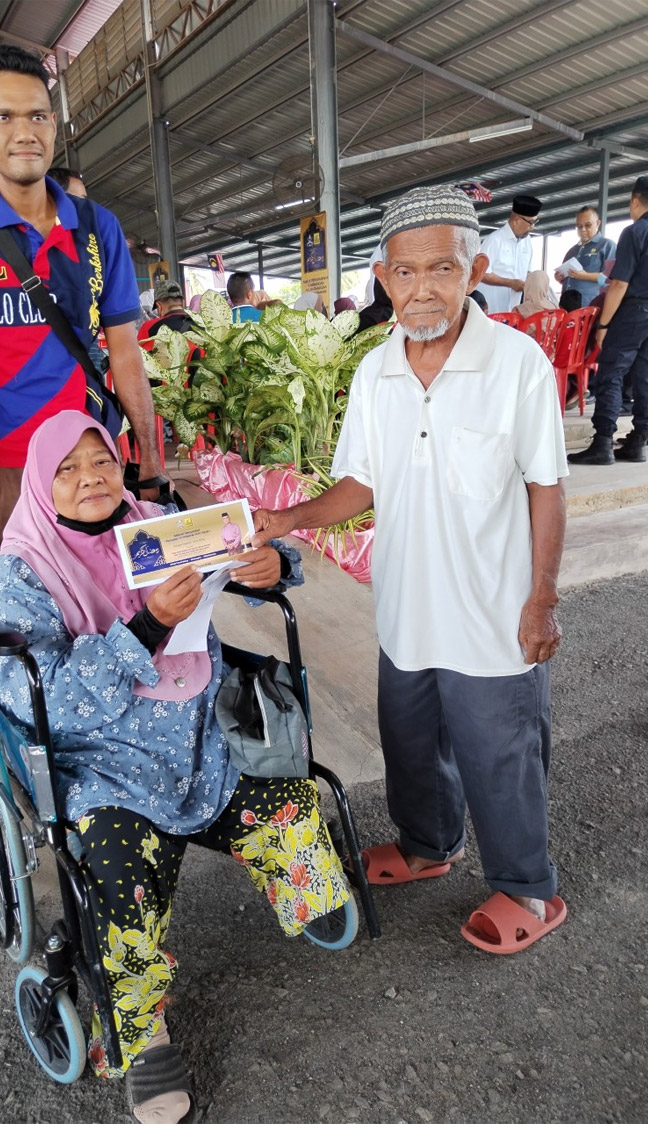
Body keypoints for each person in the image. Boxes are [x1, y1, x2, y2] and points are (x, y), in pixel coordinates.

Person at [0, 410, 351, 1118]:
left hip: (200, 736)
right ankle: (143, 1035)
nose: (91, 479)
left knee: (291, 802)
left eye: (101, 462)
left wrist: (274, 565)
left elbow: (255, 559)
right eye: (68, 469)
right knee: (120, 885)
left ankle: (293, 882)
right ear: (40, 482)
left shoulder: (159, 521)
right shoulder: (18, 572)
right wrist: (145, 626)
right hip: (104, 766)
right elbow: (48, 703)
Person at [254, 184, 569, 955]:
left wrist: (542, 598)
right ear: (383, 277)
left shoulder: (516, 363)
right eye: (406, 271)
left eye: (442, 268)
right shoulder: (377, 373)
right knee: (411, 739)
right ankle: (430, 846)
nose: (423, 287)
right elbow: (364, 481)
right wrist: (292, 516)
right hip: (408, 609)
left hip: (494, 614)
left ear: (476, 269)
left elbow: (547, 487)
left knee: (501, 752)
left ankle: (528, 885)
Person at [0, 44, 162, 559]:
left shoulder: (97, 226)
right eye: (3, 116)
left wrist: (150, 457)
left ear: (53, 124)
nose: (24, 132)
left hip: (89, 455)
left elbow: (125, 351)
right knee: (16, 609)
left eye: (38, 116)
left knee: (108, 595)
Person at [568, 176, 648, 465]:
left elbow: (619, 284)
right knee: (644, 378)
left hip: (633, 312)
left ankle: (603, 442)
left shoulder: (634, 231)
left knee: (611, 374)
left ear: (635, 201)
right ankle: (638, 441)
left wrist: (603, 324)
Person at [478, 194, 542, 313]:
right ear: (517, 220)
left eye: (535, 222)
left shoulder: (527, 241)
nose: (532, 227)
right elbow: (482, 274)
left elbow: (529, 271)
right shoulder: (495, 240)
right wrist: (511, 283)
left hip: (513, 309)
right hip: (492, 309)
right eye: (531, 222)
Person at [554, 206, 616, 306]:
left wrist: (585, 276)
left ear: (598, 223)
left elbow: (611, 279)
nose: (583, 229)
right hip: (567, 307)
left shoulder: (607, 246)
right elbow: (567, 278)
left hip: (591, 306)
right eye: (579, 226)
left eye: (588, 225)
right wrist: (560, 277)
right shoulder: (572, 251)